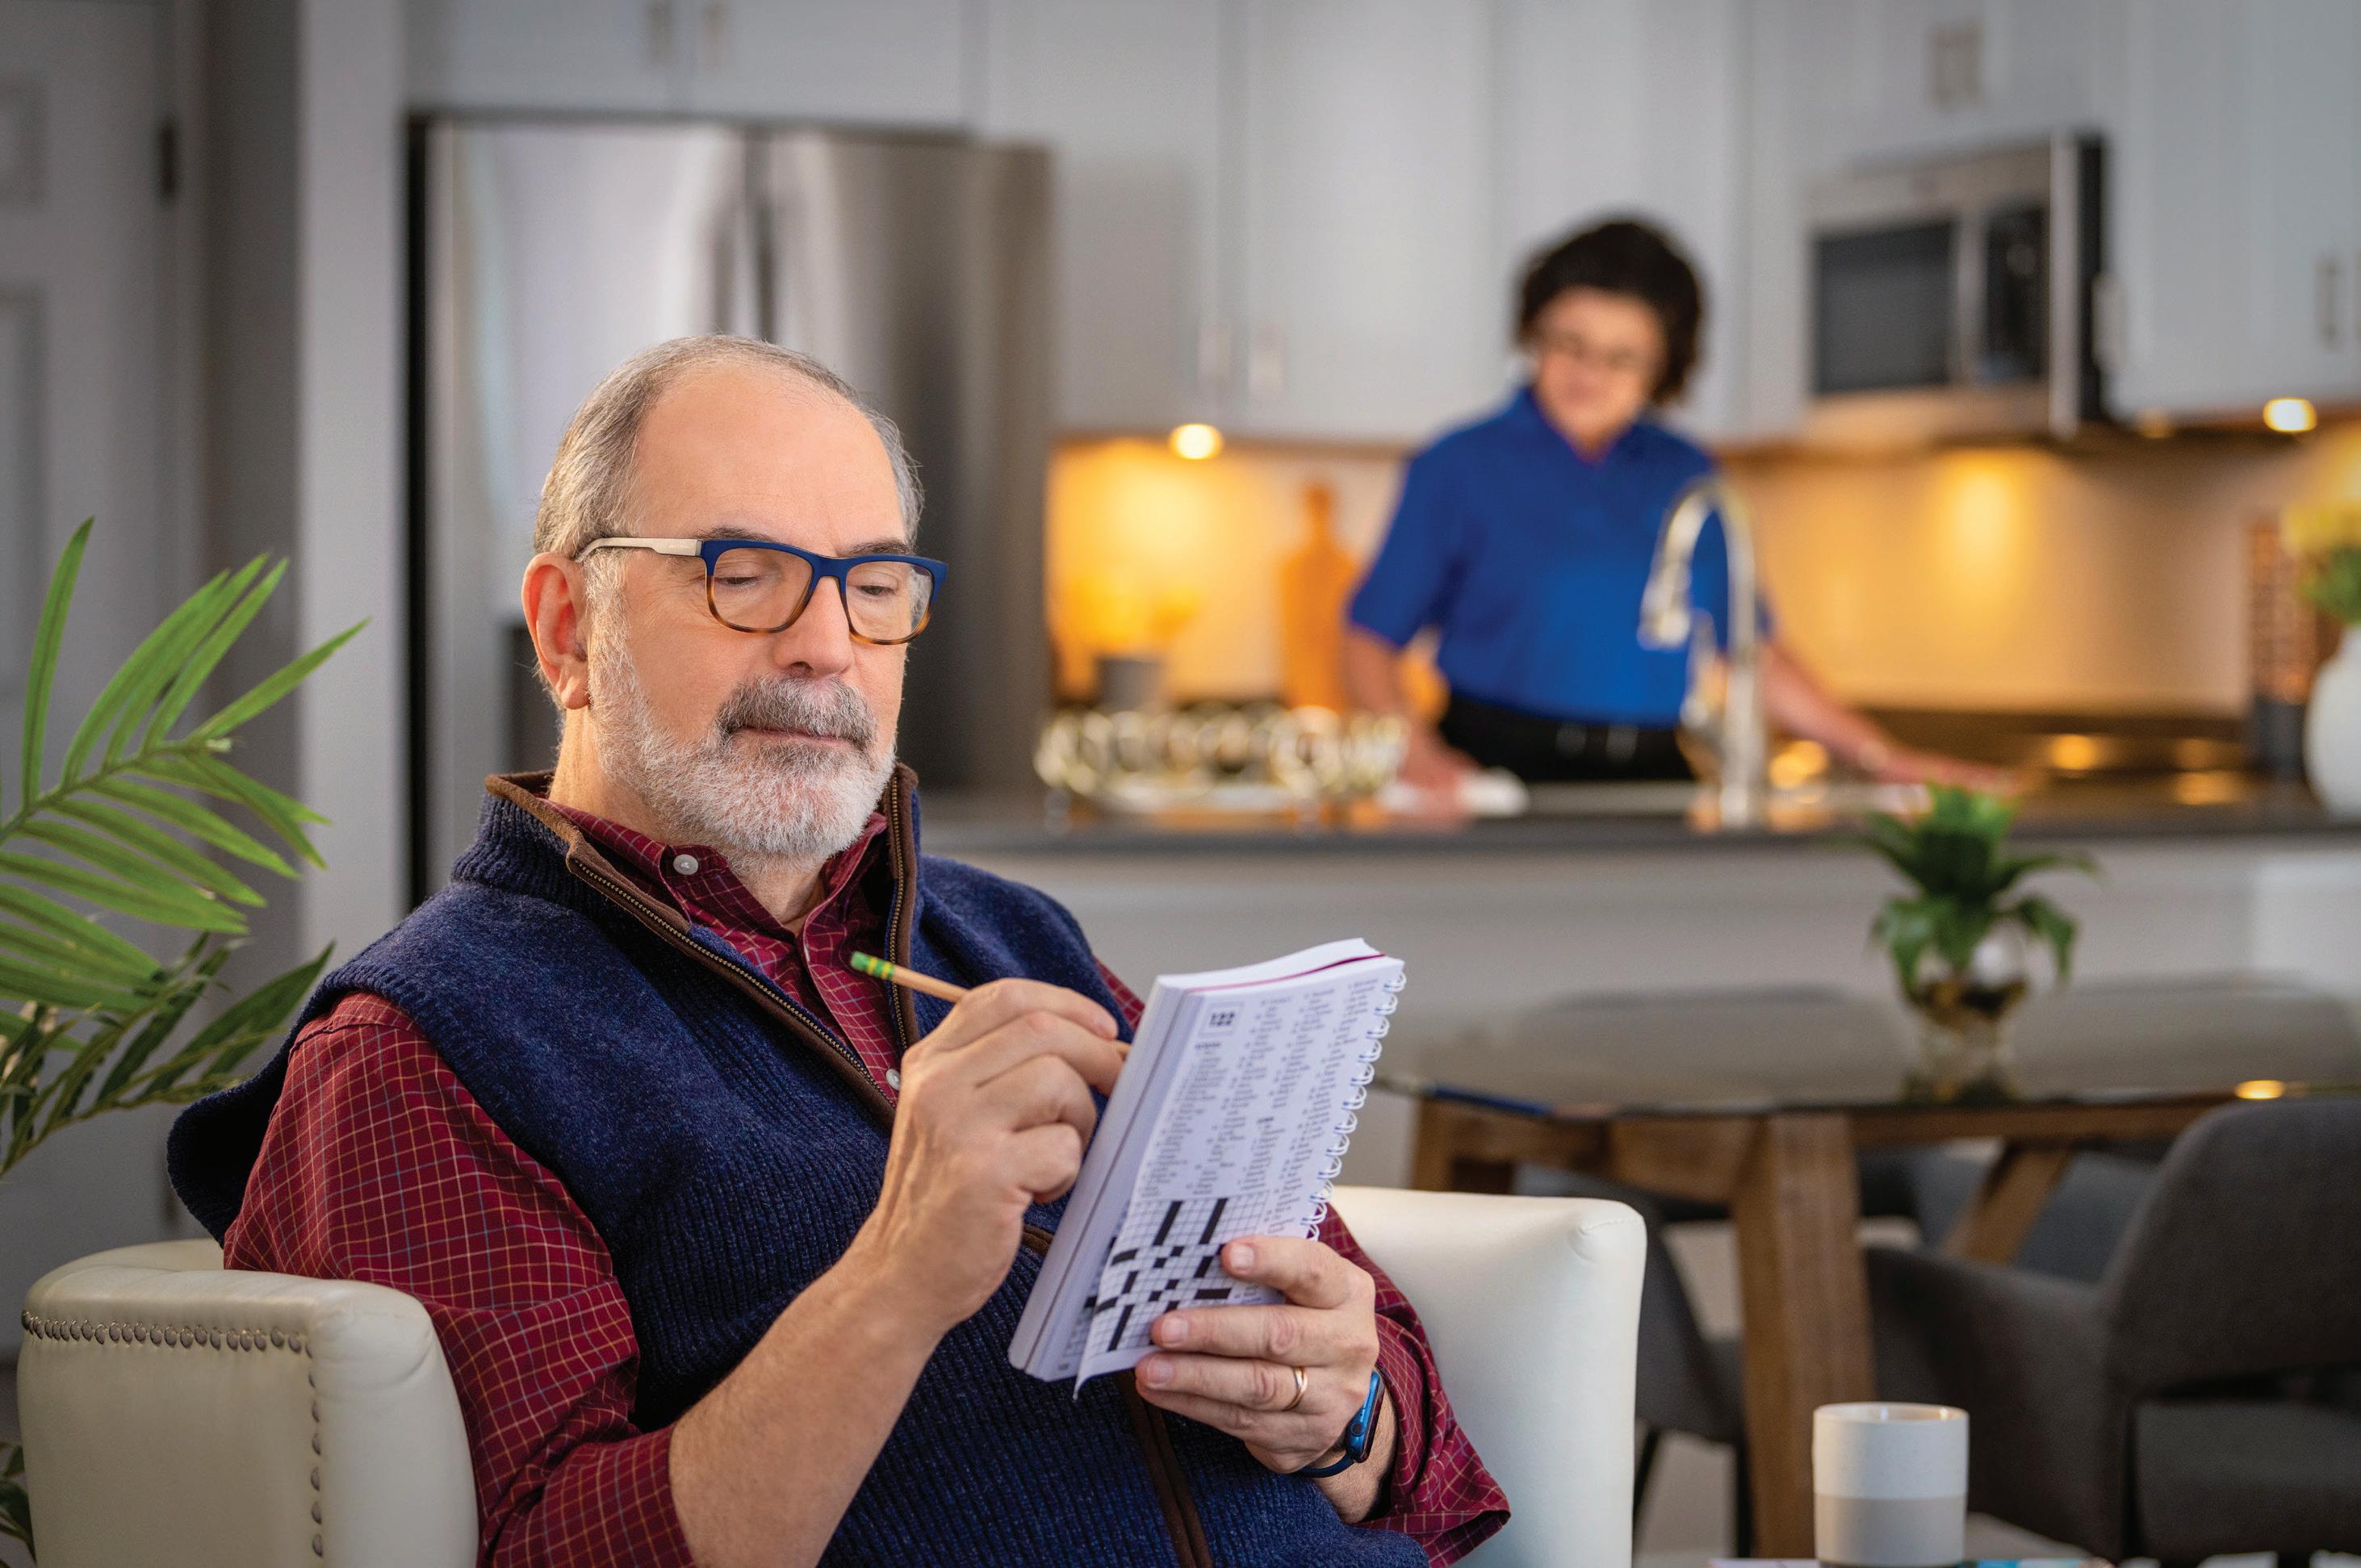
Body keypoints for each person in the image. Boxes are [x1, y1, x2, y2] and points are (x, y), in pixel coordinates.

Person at [167, 337, 1505, 1567]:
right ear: (569, 628)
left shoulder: (1011, 938)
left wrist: (1345, 1415)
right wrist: (898, 1273)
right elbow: (546, 1550)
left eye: (873, 586)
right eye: (741, 576)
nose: (824, 645)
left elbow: (1433, 1470)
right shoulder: (425, 1048)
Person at [1342, 218, 2002, 794]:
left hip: (1652, 778)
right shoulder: (1458, 466)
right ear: (1532, 335)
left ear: (1663, 370)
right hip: (1499, 773)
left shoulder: (1686, 475)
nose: (1588, 372)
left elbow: (1754, 653)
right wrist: (1416, 751)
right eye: (1569, 342)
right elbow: (1367, 642)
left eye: (1622, 357)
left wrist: (1884, 758)